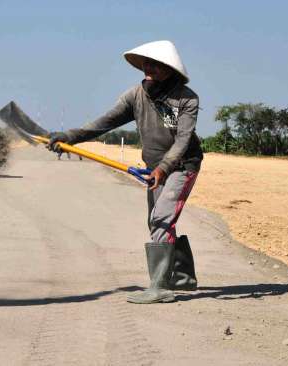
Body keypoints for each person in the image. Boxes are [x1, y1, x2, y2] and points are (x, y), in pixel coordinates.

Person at [47, 40, 203, 304]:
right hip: (154, 168)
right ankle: (183, 276)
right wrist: (70, 136)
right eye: (146, 64)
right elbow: (103, 123)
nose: (148, 68)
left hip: (181, 166)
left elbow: (183, 140)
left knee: (162, 218)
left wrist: (164, 168)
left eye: (156, 64)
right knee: (156, 220)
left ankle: (160, 287)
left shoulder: (186, 99)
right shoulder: (136, 95)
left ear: (169, 70)